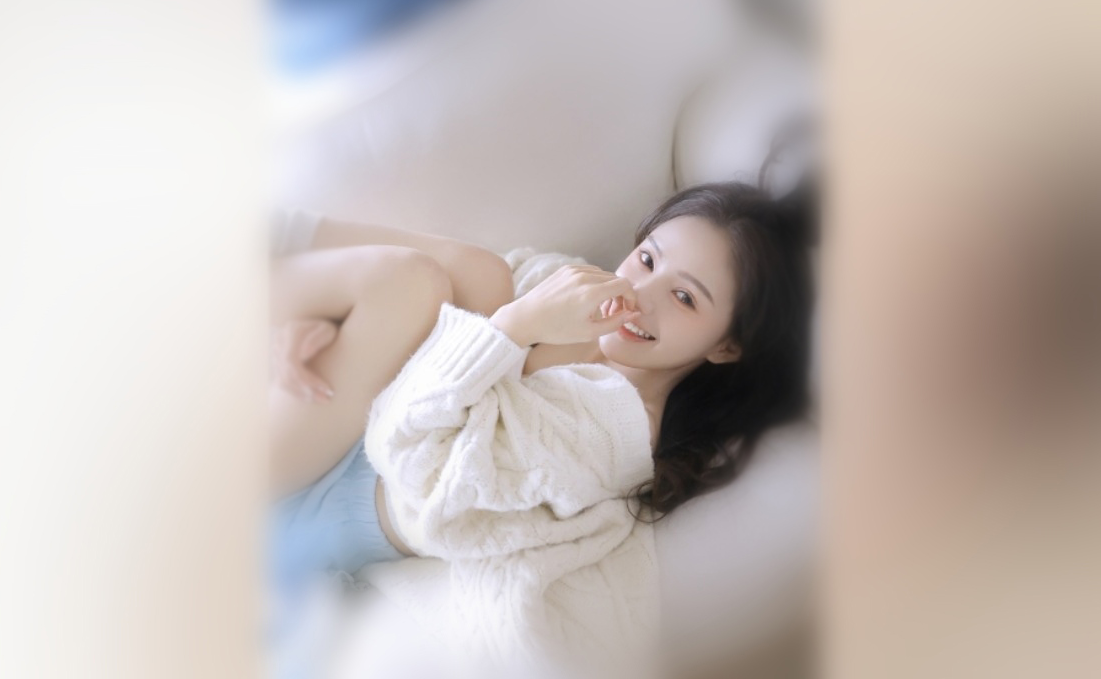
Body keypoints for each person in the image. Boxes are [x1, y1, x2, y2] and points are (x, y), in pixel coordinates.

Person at [266, 178, 816, 676]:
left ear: (726, 346)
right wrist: (315, 321)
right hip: (322, 420)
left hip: (314, 509)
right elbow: (410, 312)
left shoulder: (609, 433)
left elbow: (416, 466)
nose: (640, 299)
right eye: (648, 260)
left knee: (416, 281)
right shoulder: (573, 291)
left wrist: (516, 326)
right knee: (479, 272)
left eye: (684, 297)